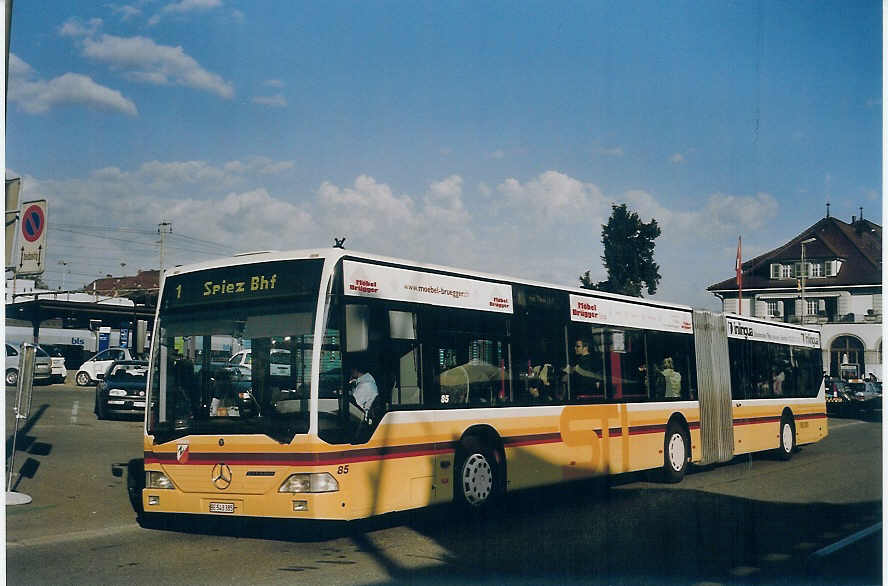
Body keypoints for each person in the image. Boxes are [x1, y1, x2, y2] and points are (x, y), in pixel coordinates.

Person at [349, 361, 380, 442]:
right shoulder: (367, 381)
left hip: (364, 420)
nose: (350, 372)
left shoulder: (365, 384)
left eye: (351, 370)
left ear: (355, 370)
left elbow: (353, 402)